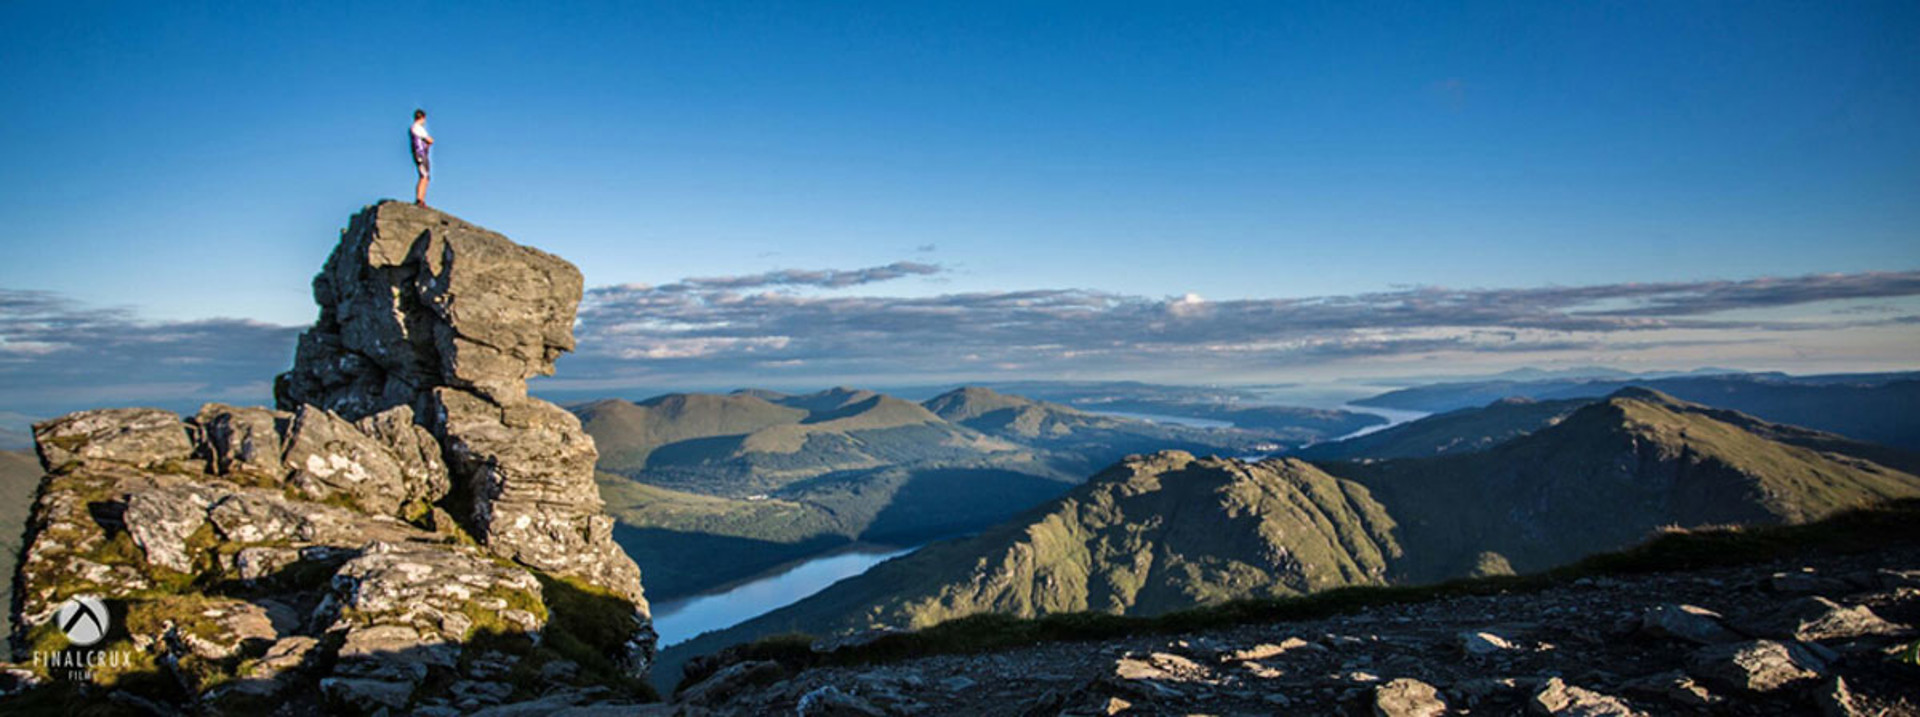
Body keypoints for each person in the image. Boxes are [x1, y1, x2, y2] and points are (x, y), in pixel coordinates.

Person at [410, 109, 434, 207]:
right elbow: (429, 140)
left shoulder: (415, 128)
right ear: (423, 117)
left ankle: (421, 199)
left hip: (420, 153)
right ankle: (420, 199)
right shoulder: (417, 127)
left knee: (425, 176)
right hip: (421, 154)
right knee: (424, 176)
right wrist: (429, 141)